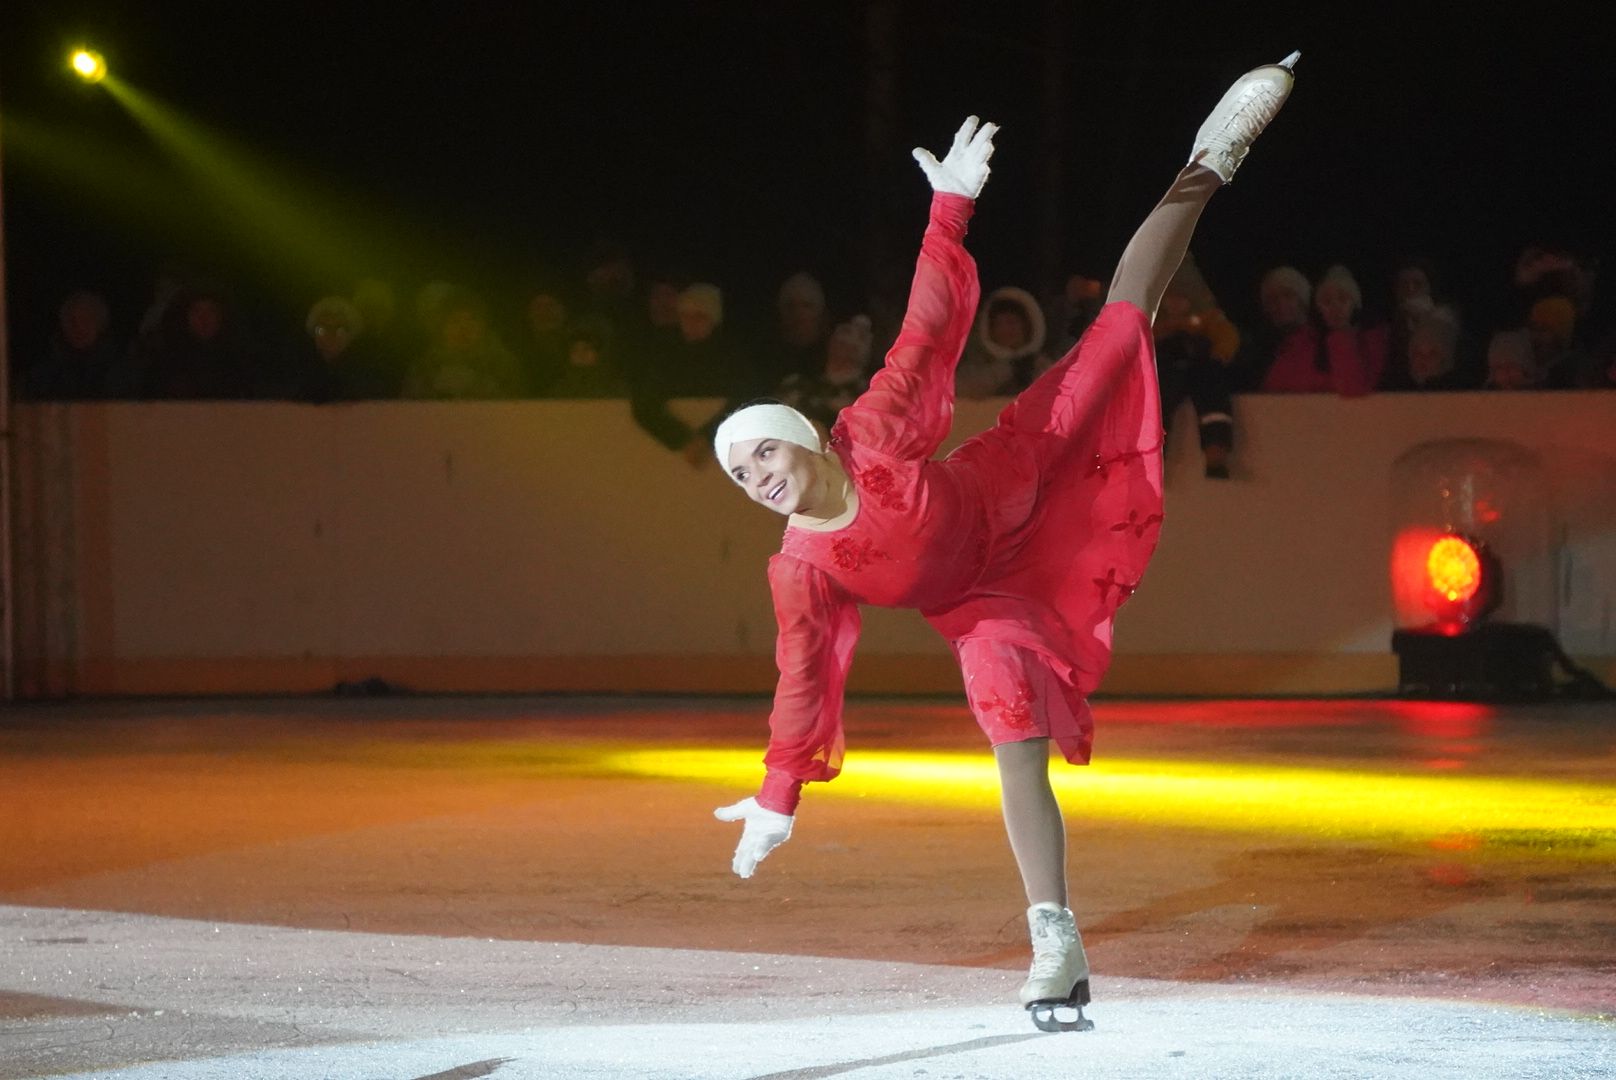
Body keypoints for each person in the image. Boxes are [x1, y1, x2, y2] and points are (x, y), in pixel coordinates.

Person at [710, 53, 1300, 1032]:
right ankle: (1054, 939)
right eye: (740, 475)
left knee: (1119, 328)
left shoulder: (871, 432)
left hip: (1016, 473)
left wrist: (948, 211)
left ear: (801, 438)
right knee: (1012, 736)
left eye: (762, 452)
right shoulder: (799, 569)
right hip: (978, 605)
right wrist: (778, 796)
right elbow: (802, 679)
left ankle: (1206, 163)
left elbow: (924, 331)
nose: (757, 476)